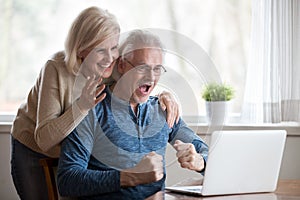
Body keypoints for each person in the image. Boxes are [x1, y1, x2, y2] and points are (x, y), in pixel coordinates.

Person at [10, 7, 179, 200]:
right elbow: (44, 139)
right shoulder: (56, 68)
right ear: (81, 49)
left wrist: (164, 96)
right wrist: (82, 106)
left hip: (72, 150)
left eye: (114, 48)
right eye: (100, 50)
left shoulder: (111, 67)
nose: (110, 58)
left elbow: (137, 82)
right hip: (34, 147)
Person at [57, 29, 209, 200]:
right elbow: (67, 180)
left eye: (157, 69)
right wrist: (129, 176)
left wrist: (200, 161)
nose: (151, 77)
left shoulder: (162, 110)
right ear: (121, 65)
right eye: (142, 67)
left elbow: (206, 152)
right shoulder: (91, 110)